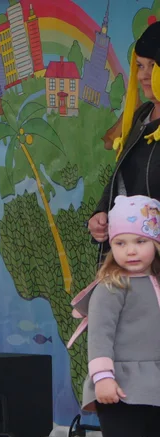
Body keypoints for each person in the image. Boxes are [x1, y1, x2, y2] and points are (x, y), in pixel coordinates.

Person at [69, 195, 160, 437]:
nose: (131, 251)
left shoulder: (154, 282)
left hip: (153, 388)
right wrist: (103, 378)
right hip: (120, 389)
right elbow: (100, 337)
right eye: (121, 243)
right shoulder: (112, 286)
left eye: (140, 241)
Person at [89, 23, 160, 262]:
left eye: (153, 66)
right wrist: (102, 213)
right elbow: (121, 176)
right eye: (140, 66)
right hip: (126, 266)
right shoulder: (142, 115)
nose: (143, 75)